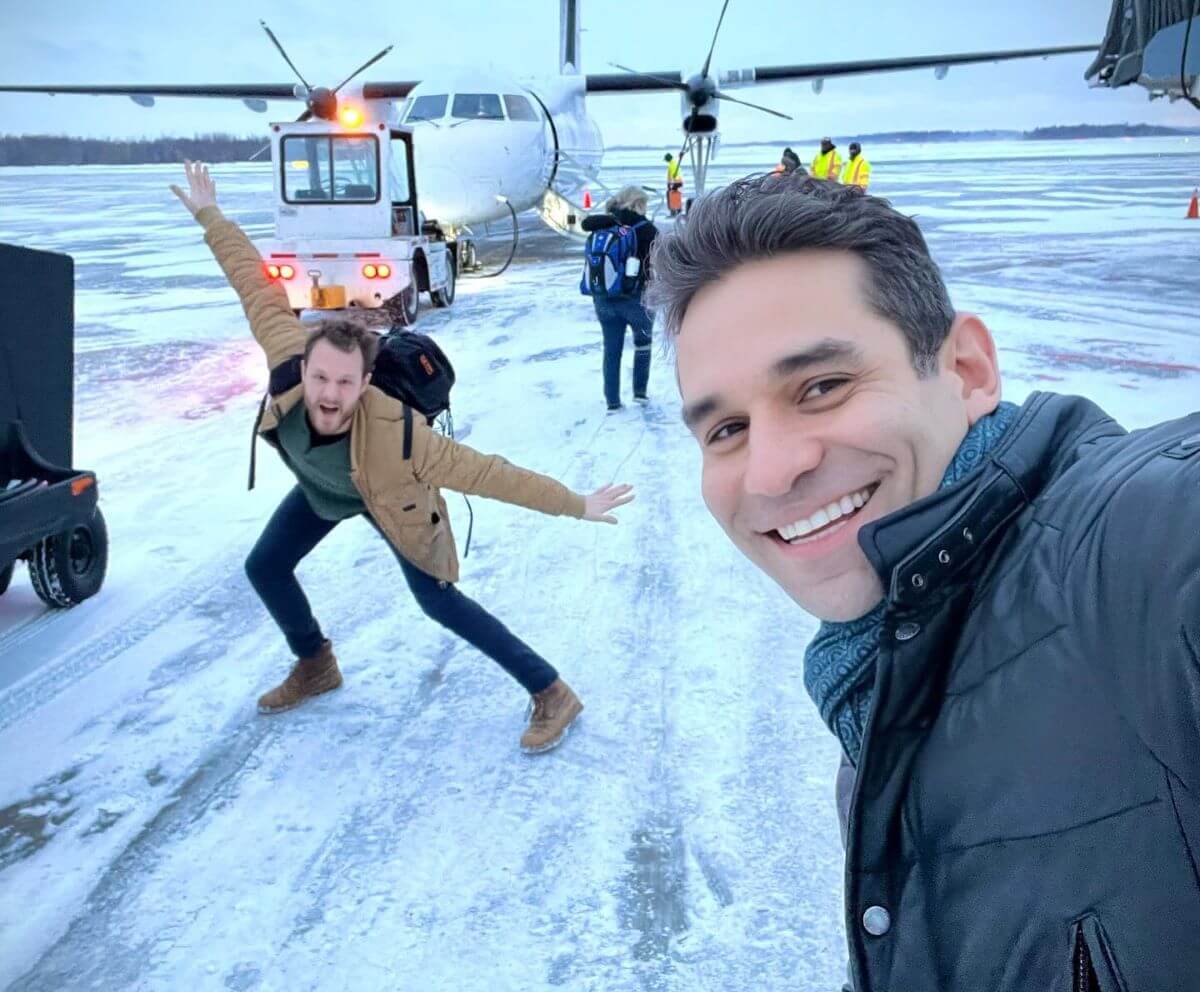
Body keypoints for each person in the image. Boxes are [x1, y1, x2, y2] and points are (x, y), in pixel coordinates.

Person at [645, 171, 1200, 991]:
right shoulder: (884, 674)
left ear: (968, 370)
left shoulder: (1139, 549)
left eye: (822, 386)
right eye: (726, 429)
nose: (769, 471)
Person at [170, 162, 635, 754]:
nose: (329, 395)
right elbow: (252, 283)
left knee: (438, 603)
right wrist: (212, 216)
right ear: (304, 369)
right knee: (264, 567)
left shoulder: (401, 438)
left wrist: (576, 504)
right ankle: (315, 663)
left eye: (345, 383)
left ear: (365, 383)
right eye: (320, 378)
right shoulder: (288, 363)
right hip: (323, 491)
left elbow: (491, 474)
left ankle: (550, 690)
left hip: (387, 495)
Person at [581, 186, 659, 412]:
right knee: (643, 345)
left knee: (611, 350)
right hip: (637, 299)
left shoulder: (604, 225)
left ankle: (613, 401)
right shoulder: (646, 229)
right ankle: (640, 393)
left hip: (604, 299)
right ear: (637, 204)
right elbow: (658, 262)